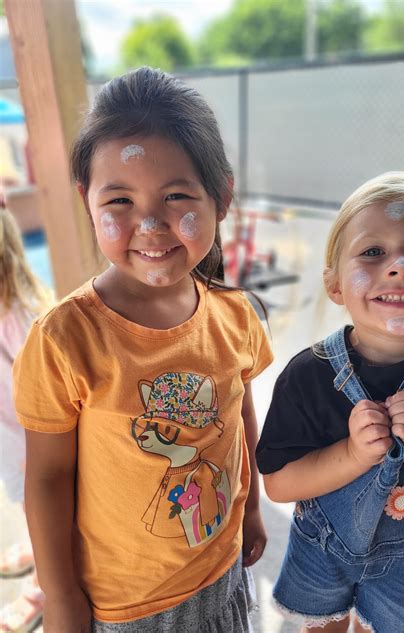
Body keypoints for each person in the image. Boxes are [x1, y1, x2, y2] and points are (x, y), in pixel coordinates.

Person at [13, 67, 273, 632]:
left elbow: (240, 418)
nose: (150, 223)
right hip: (128, 605)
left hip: (221, 566)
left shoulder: (235, 315)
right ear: (87, 201)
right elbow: (48, 479)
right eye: (120, 199)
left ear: (221, 197)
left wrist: (251, 506)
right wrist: (62, 598)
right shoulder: (65, 340)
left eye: (176, 196)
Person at [256, 170, 404, 633]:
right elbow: (278, 484)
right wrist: (353, 455)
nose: (402, 266)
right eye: (373, 252)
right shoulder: (307, 377)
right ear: (335, 285)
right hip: (320, 551)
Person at [0, 205, 52, 631]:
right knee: (24, 502)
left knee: (40, 510)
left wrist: (34, 450)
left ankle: (44, 587)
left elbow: (43, 395)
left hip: (31, 439)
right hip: (10, 436)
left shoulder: (22, 319)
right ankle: (39, 554)